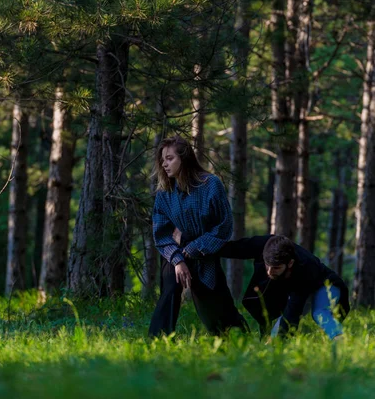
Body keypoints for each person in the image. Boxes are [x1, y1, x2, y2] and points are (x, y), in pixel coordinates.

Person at [148, 135, 249, 337]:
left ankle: (238, 338)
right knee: (170, 290)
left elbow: (223, 226)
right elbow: (161, 233)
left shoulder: (210, 184)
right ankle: (157, 341)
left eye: (169, 158)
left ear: (184, 158)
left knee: (215, 308)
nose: (164, 163)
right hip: (175, 251)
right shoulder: (164, 193)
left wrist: (195, 249)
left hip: (205, 250)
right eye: (162, 159)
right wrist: (177, 260)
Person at [196, 234, 349, 340]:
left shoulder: (305, 268)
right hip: (299, 293)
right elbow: (237, 248)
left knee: (319, 312)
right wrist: (204, 248)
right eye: (267, 266)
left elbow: (293, 311)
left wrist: (279, 337)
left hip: (325, 285)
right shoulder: (265, 245)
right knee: (275, 335)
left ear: (289, 263)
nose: (269, 272)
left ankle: (340, 342)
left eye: (275, 268)